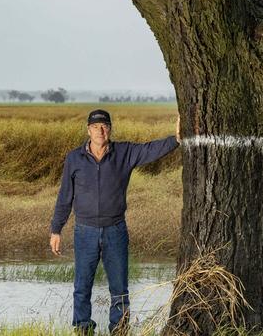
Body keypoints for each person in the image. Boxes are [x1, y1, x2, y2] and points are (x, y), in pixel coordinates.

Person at [49, 109, 180, 335]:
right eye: (96, 126)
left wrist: (177, 139)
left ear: (110, 129)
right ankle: (82, 328)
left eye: (105, 126)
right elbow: (65, 196)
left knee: (119, 288)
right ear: (88, 130)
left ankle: (119, 329)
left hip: (115, 231)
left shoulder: (124, 152)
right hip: (84, 231)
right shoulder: (74, 158)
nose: (101, 130)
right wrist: (56, 229)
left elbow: (150, 149)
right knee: (82, 287)